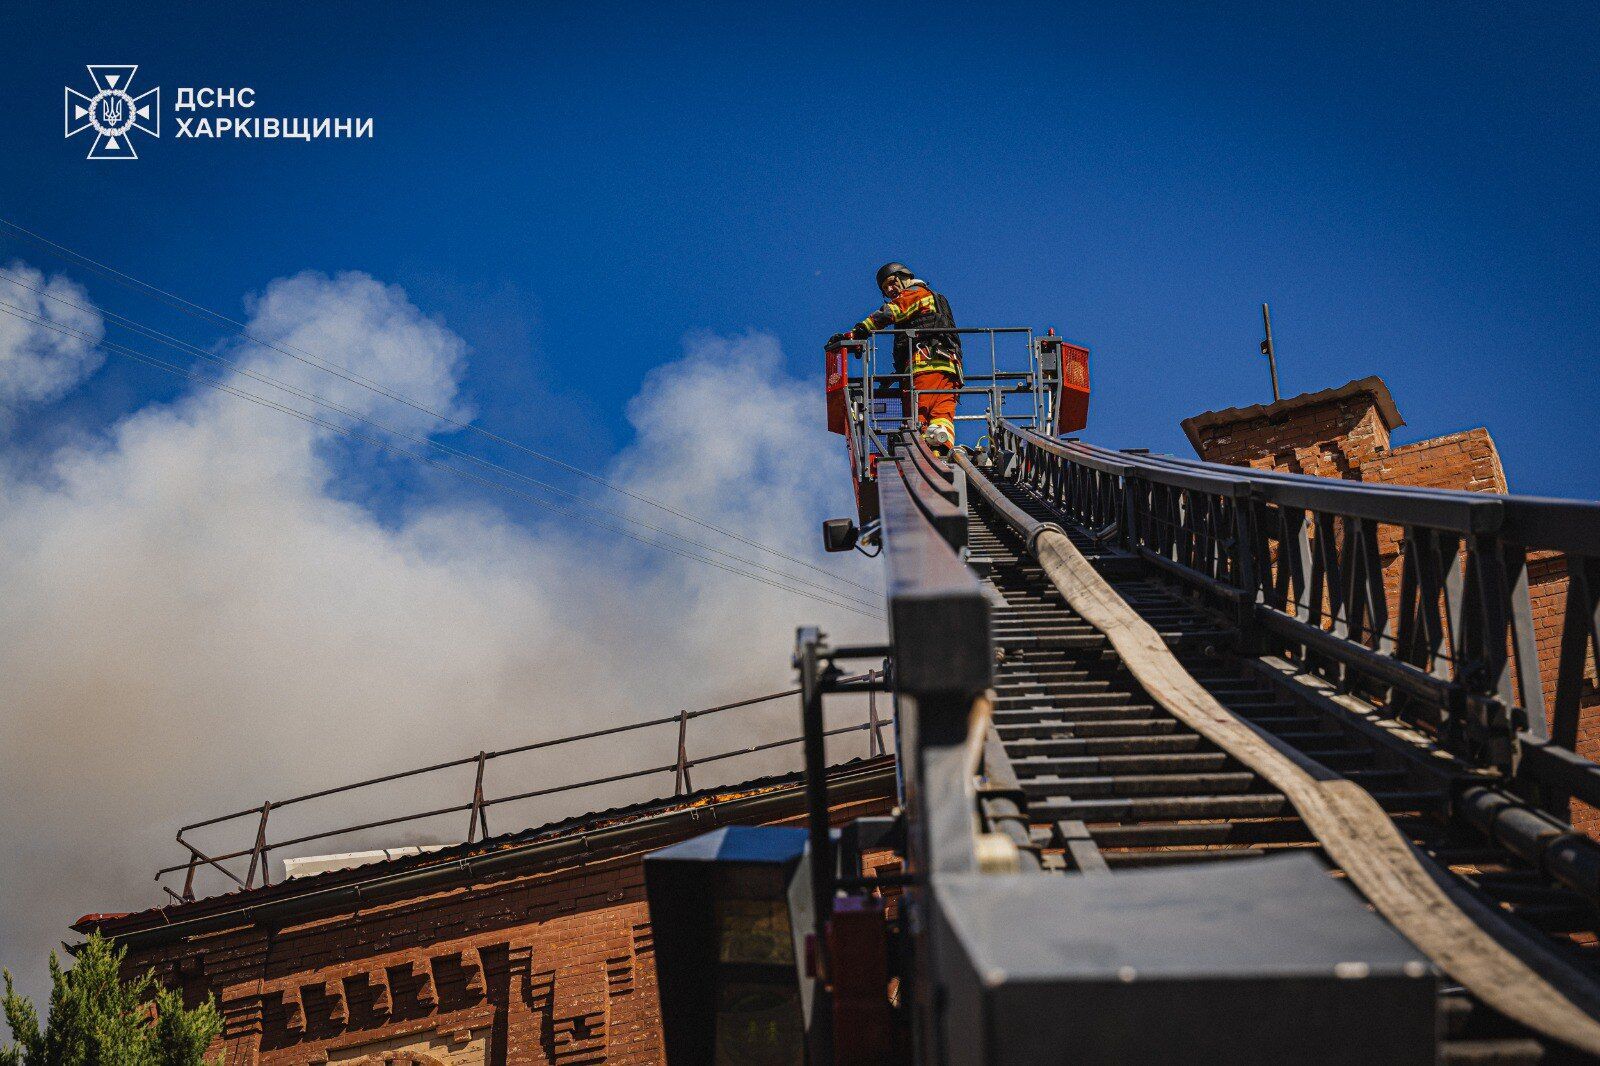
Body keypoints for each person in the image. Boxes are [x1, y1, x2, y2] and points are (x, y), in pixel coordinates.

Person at [829, 263, 963, 454]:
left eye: (892, 283)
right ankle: (940, 451)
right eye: (885, 288)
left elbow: (892, 311)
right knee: (941, 414)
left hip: (924, 365)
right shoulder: (934, 298)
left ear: (905, 277)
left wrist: (858, 332)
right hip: (949, 369)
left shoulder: (916, 293)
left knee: (919, 415)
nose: (890, 290)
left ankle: (923, 453)